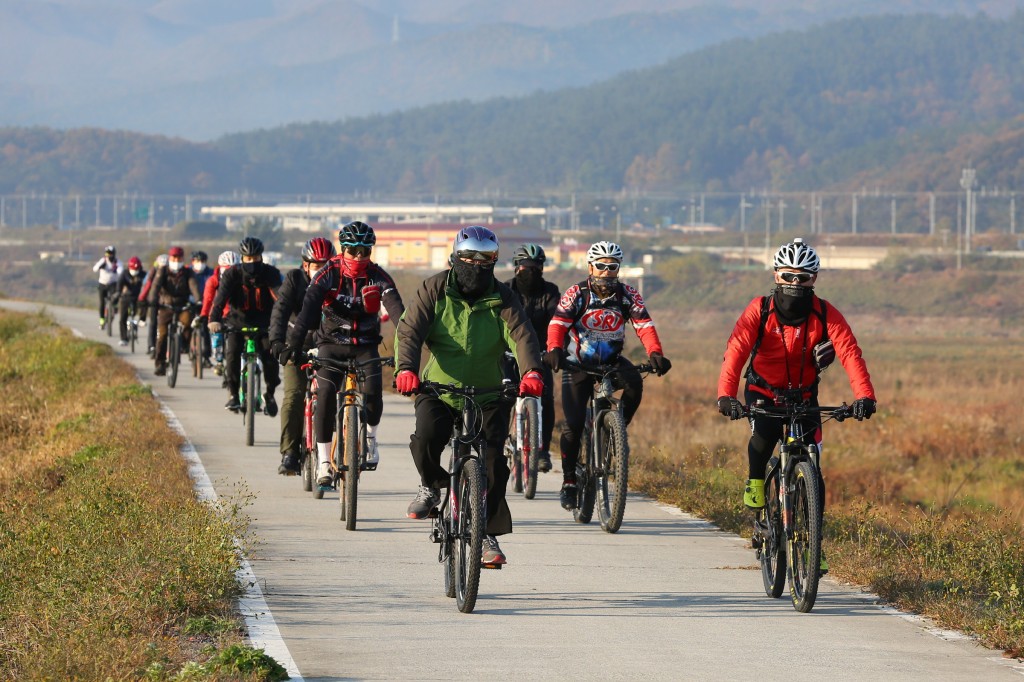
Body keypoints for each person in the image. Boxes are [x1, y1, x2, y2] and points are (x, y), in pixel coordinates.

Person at [716, 237, 876, 573]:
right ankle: (756, 482)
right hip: (762, 390)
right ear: (776, 275)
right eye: (788, 276)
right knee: (763, 438)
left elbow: (850, 352)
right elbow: (736, 351)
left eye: (802, 278)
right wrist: (726, 395)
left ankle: (814, 544)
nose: (795, 283)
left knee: (812, 466)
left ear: (813, 278)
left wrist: (865, 396)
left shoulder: (825, 313)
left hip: (804, 397)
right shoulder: (760, 309)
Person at [395, 225, 544, 566]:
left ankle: (486, 532)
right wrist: (406, 369)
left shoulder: (502, 297)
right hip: (439, 389)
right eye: (469, 257)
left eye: (485, 258)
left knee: (493, 463)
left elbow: (522, 334)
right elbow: (410, 330)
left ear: (494, 261)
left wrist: (532, 372)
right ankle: (431, 486)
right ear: (456, 257)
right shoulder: (434, 289)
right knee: (427, 436)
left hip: (488, 392)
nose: (476, 265)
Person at [545, 240, 672, 511]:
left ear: (618, 268)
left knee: (635, 382)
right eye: (601, 266)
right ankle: (569, 481)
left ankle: (617, 431)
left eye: (612, 266)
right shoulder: (576, 293)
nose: (606, 271)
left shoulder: (628, 295)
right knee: (573, 424)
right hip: (578, 364)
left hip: (612, 363)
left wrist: (656, 354)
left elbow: (644, 325)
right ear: (590, 267)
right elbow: (558, 323)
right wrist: (554, 349)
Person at [280, 222, 405, 485]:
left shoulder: (379, 276)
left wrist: (408, 351)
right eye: (352, 250)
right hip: (331, 344)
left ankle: (370, 437)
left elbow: (399, 316)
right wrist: (293, 345)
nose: (358, 257)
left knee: (373, 393)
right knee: (325, 394)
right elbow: (306, 314)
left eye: (365, 251)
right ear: (342, 249)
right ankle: (324, 461)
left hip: (365, 345)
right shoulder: (327, 274)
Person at [268, 236, 336, 475]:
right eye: (317, 265)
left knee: (334, 396)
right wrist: (277, 341)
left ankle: (338, 450)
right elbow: (280, 311)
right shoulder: (294, 279)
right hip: (296, 344)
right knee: (294, 396)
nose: (322, 270)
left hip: (330, 345)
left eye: (326, 265)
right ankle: (290, 453)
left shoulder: (338, 281)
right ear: (305, 265)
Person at [503, 243, 560, 473]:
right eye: (526, 267)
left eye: (536, 267)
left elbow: (558, 322)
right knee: (502, 396)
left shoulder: (550, 292)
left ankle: (543, 450)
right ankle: (497, 442)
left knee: (546, 400)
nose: (531, 271)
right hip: (508, 353)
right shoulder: (505, 290)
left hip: (540, 355)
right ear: (516, 267)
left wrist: (556, 349)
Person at [209, 237, 283, 414]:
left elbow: (281, 299)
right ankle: (234, 394)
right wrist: (214, 319)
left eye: (255, 258)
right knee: (232, 353)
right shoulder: (232, 274)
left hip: (265, 322)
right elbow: (220, 299)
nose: (252, 262)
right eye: (248, 258)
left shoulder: (270, 273)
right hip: (237, 322)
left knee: (270, 357)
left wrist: (287, 320)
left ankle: (270, 394)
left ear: (261, 257)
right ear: (242, 258)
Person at [147, 246, 200, 376]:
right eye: (174, 258)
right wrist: (152, 300)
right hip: (166, 306)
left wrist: (199, 300)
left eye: (179, 258)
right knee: (162, 335)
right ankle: (160, 364)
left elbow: (194, 286)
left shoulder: (188, 272)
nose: (176, 261)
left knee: (188, 322)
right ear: (170, 258)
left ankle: (183, 345)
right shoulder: (163, 271)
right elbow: (155, 286)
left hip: (183, 306)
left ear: (182, 259)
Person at [199, 250, 241, 377]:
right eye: (227, 269)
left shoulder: (242, 278)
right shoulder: (213, 281)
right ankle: (218, 361)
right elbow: (208, 299)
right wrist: (204, 315)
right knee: (216, 335)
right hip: (219, 313)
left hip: (237, 314)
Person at [138, 254, 168, 356]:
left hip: (167, 301)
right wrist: (142, 298)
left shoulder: (171, 273)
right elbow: (147, 285)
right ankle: (151, 345)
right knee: (153, 322)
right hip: (155, 300)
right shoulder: (153, 272)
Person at [190, 251, 215, 368]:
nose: (200, 263)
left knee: (205, 329)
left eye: (202, 261)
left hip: (206, 304)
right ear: (193, 261)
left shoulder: (210, 273)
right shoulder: (188, 272)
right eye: (197, 261)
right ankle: (187, 347)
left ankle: (206, 357)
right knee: (187, 324)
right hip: (191, 302)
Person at [116, 256, 146, 346]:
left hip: (138, 297)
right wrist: (118, 292)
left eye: (136, 269)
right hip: (126, 297)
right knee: (122, 318)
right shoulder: (125, 273)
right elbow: (119, 283)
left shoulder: (143, 274)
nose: (135, 271)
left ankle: (142, 320)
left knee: (145, 303)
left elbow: (148, 284)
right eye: (133, 269)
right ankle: (124, 338)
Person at [92, 245, 122, 329]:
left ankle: (113, 308)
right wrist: (100, 266)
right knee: (102, 303)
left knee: (115, 298)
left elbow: (121, 271)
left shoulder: (117, 262)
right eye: (108, 253)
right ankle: (102, 320)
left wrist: (117, 269)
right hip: (103, 284)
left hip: (113, 284)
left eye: (111, 253)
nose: (109, 255)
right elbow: (94, 269)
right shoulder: (103, 260)